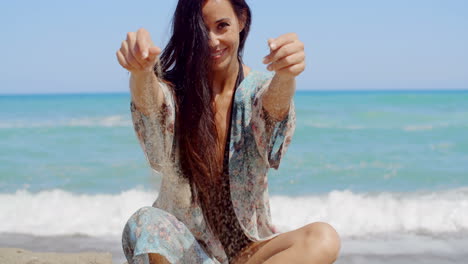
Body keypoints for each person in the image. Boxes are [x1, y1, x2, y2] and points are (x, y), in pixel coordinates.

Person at [116, 0, 340, 263]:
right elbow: (153, 105)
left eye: (222, 26)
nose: (212, 42)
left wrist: (286, 76)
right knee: (146, 223)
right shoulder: (175, 89)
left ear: (241, 20)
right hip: (185, 252)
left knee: (324, 238)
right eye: (201, 30)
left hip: (250, 253)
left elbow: (271, 107)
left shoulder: (255, 90)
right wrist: (141, 73)